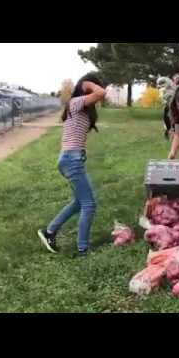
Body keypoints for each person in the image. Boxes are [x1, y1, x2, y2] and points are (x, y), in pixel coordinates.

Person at [37, 73, 106, 256]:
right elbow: (101, 93)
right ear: (85, 87)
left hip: (71, 159)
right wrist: (88, 83)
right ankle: (83, 250)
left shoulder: (82, 107)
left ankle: (49, 231)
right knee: (89, 204)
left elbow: (99, 95)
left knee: (78, 202)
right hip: (71, 160)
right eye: (89, 88)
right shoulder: (75, 102)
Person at [157, 72, 179, 139]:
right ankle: (167, 130)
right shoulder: (168, 83)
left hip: (175, 105)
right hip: (167, 104)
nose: (178, 79)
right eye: (177, 77)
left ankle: (174, 132)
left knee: (174, 119)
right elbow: (160, 82)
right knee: (166, 117)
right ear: (173, 77)